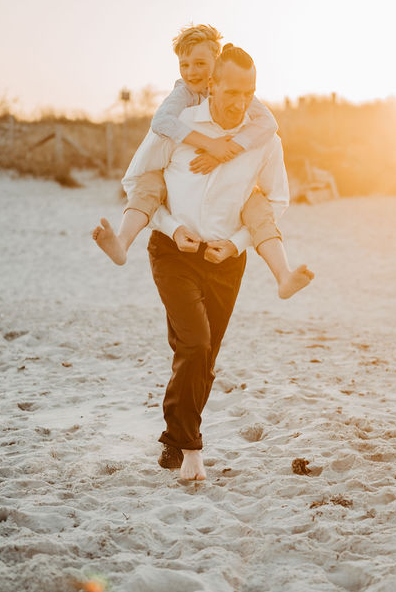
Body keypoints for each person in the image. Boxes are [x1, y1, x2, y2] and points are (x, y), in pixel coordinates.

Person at [122, 45, 289, 480]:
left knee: (202, 357)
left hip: (226, 262)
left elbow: (276, 201)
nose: (241, 101)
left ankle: (174, 438)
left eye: (249, 92)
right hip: (173, 250)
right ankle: (192, 449)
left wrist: (236, 243)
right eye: (232, 91)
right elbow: (136, 181)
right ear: (211, 83)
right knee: (194, 345)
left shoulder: (263, 138)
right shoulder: (177, 128)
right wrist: (173, 227)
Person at [93, 25, 313, 299]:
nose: (191, 72)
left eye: (200, 64)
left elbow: (268, 124)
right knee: (149, 183)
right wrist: (209, 144)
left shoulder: (237, 92)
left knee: (258, 206)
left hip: (225, 247)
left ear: (217, 66)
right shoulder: (183, 93)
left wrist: (227, 149)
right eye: (184, 64)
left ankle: (283, 275)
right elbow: (161, 122)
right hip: (173, 196)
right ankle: (122, 243)